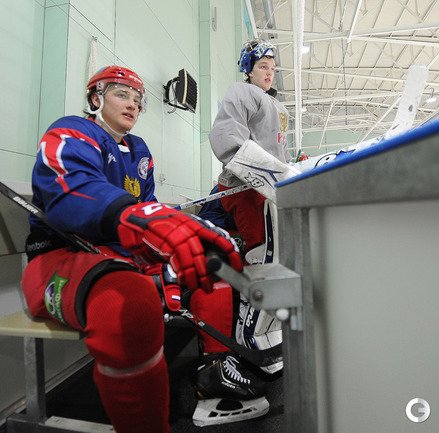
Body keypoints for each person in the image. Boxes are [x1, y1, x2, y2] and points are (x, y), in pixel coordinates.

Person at [20, 65, 259, 433]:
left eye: (137, 99)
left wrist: (164, 253)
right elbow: (70, 192)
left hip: (123, 256)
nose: (132, 104)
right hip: (60, 256)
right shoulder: (70, 131)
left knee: (209, 263)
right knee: (128, 305)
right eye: (121, 94)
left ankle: (214, 371)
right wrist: (134, 218)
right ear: (96, 97)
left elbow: (145, 210)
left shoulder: (139, 151)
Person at [208, 38, 292, 262]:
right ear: (249, 70)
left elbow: (282, 149)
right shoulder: (242, 91)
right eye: (263, 67)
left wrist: (289, 174)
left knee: (278, 244)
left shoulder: (279, 108)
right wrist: (263, 174)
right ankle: (253, 282)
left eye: (272, 68)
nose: (269, 72)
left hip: (270, 186)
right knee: (261, 247)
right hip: (244, 186)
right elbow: (226, 135)